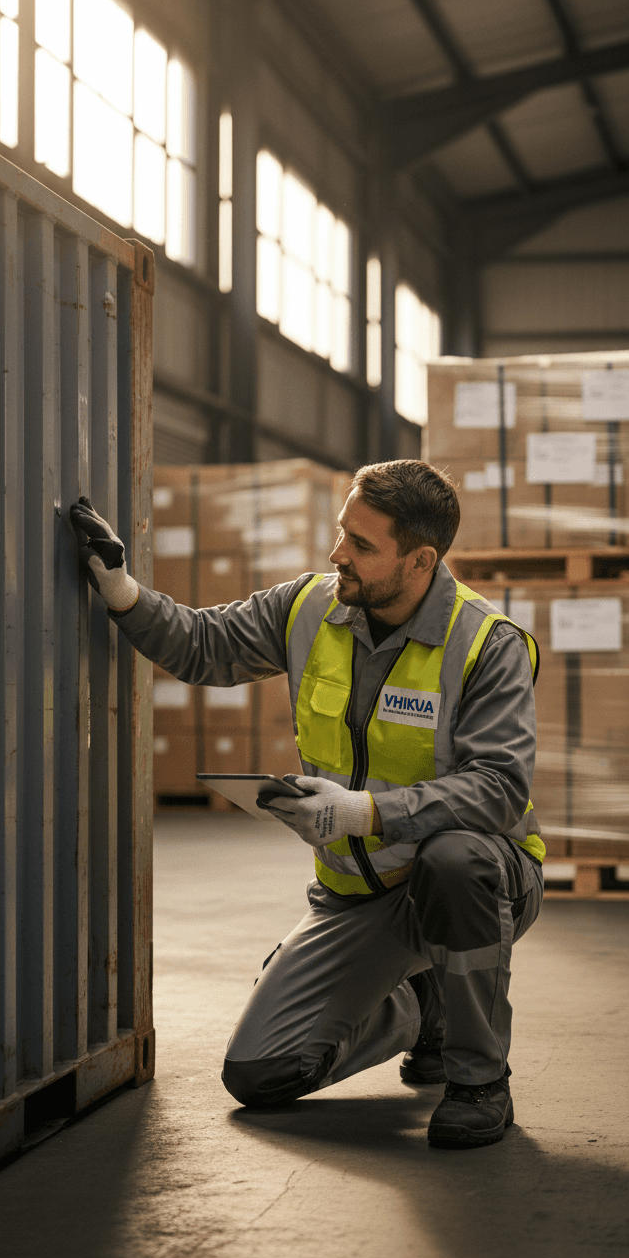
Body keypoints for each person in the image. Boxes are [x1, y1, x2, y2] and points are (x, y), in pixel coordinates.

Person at [71, 458, 544, 1149]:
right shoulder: (311, 605)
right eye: (341, 532)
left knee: (455, 859)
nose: (337, 553)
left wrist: (366, 813)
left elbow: (499, 787)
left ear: (420, 560)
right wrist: (120, 590)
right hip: (356, 895)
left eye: (361, 544)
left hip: (479, 881)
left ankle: (479, 1081)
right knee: (259, 1073)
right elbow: (204, 646)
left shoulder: (485, 645)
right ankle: (419, 1003)